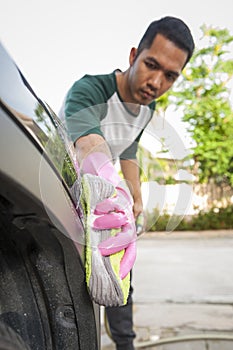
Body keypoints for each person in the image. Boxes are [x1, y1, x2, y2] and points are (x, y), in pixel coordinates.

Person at [60, 16, 195, 350]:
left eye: (170, 76)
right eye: (151, 65)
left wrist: (135, 201)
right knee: (69, 296)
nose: (156, 82)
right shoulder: (90, 89)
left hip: (105, 210)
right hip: (63, 202)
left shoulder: (145, 111)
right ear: (133, 55)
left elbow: (128, 150)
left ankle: (125, 345)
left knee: (122, 281)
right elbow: (91, 143)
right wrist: (110, 187)